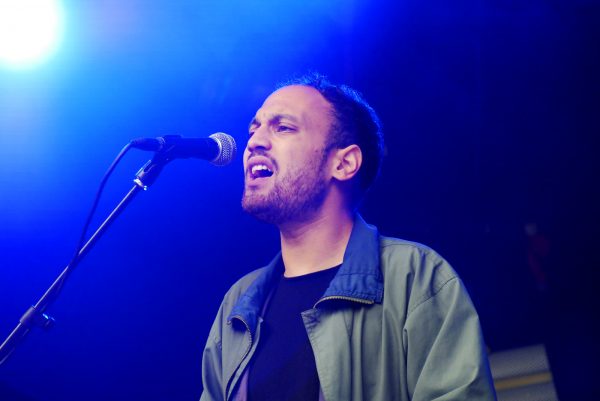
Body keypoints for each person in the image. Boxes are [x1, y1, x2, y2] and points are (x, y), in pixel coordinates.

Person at [199, 73, 497, 401]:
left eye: (283, 127)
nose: (254, 142)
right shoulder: (238, 303)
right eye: (253, 129)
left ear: (344, 163)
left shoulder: (416, 277)